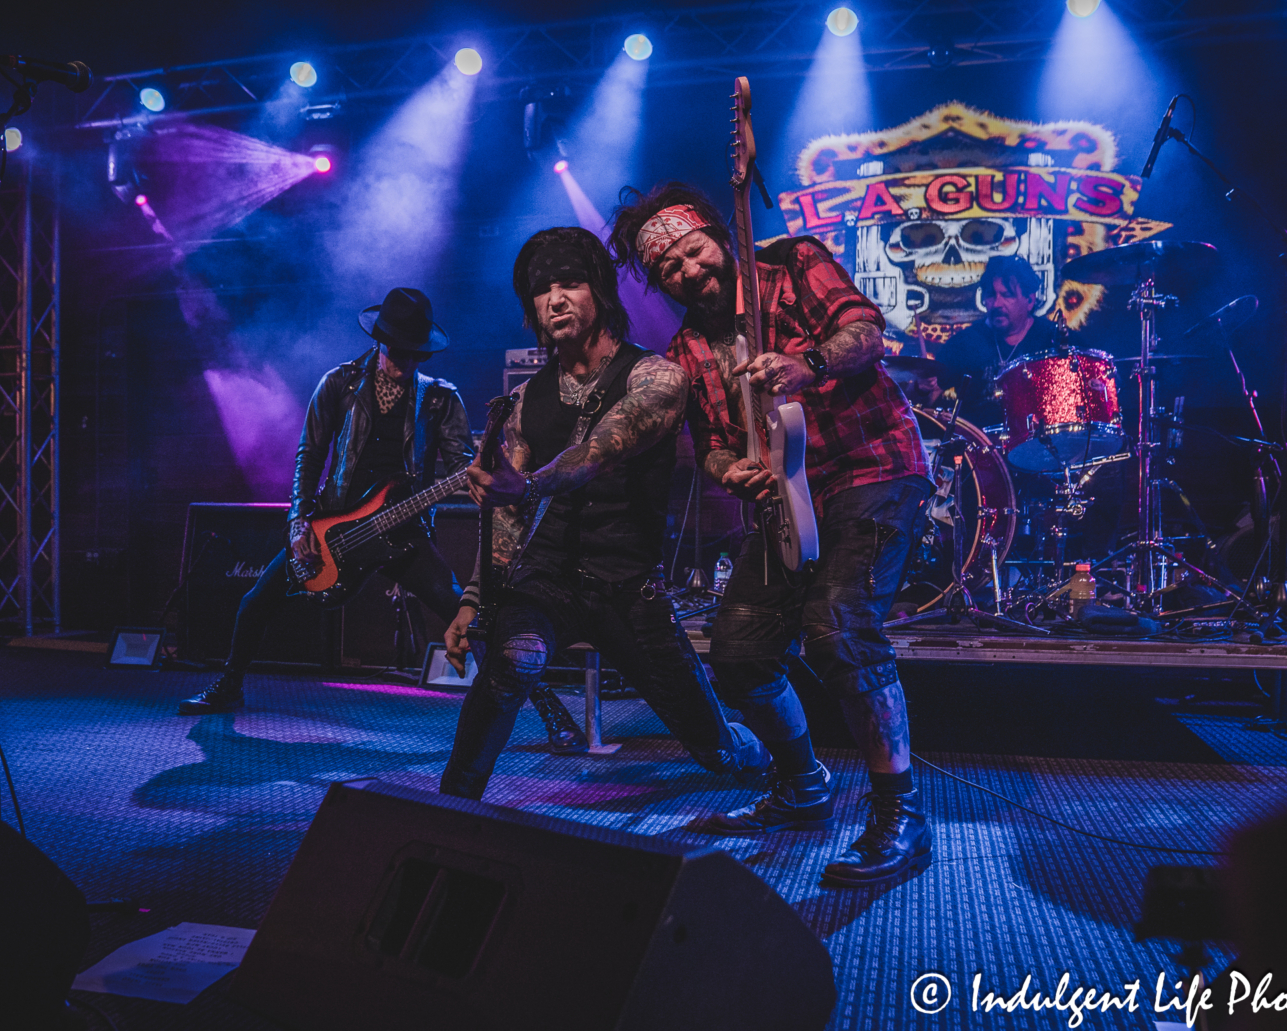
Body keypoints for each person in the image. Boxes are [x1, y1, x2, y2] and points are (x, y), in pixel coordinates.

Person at [609, 183, 934, 887]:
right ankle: (803, 784)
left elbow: (865, 330)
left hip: (872, 467)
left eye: (693, 250)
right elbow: (712, 445)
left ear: (716, 235)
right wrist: (731, 471)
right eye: (668, 267)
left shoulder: (791, 265)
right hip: (788, 503)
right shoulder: (685, 350)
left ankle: (901, 815)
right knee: (738, 653)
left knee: (839, 627)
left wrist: (807, 364)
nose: (688, 270)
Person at [437, 226, 769, 800]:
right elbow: (506, 519)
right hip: (545, 581)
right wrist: (473, 599)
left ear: (601, 292)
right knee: (512, 664)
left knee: (714, 750)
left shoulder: (656, 377)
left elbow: (598, 450)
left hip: (629, 589)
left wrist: (528, 485)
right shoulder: (525, 400)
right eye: (542, 291)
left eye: (570, 283)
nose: (555, 300)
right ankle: (452, 806)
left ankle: (750, 749)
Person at [179, 288, 584, 751]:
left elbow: (461, 467)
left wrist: (491, 471)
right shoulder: (338, 384)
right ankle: (229, 685)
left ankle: (553, 712)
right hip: (336, 529)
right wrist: (298, 522)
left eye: (414, 354)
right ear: (379, 341)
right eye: (397, 351)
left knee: (468, 615)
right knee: (256, 602)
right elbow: (309, 456)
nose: (403, 363)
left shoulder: (440, 398)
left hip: (403, 532)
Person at [932, 254, 1071, 426]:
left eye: (1007, 295)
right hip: (977, 441)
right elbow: (927, 396)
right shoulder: (964, 343)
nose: (997, 303)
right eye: (991, 295)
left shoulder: (1054, 338)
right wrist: (921, 388)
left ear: (1030, 300)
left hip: (1038, 438)